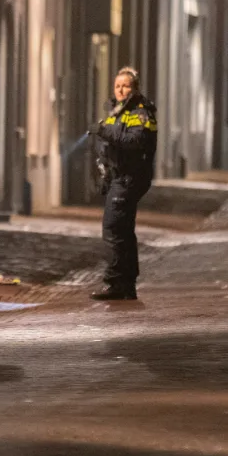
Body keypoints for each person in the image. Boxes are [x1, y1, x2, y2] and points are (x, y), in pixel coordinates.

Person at [87, 67, 158, 301]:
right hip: (118, 177)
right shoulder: (116, 111)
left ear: (135, 87)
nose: (120, 90)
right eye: (117, 86)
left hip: (130, 177)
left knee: (113, 227)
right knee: (124, 230)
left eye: (125, 85)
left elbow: (135, 140)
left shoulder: (140, 112)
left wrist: (104, 132)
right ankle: (127, 284)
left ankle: (115, 282)